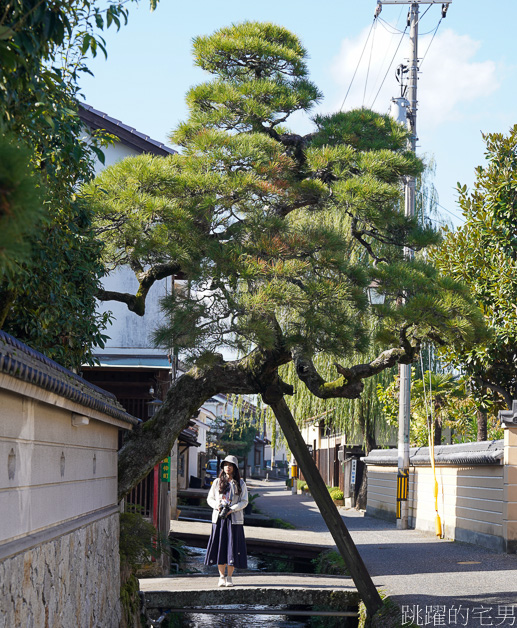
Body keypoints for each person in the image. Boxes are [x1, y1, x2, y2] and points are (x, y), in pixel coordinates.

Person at [204, 455, 248, 587]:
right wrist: (217, 506)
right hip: (219, 519)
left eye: (230, 465)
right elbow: (209, 498)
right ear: (223, 467)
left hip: (234, 520)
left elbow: (244, 501)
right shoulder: (217, 482)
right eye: (225, 464)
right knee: (219, 546)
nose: (227, 467)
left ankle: (230, 577)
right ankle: (221, 576)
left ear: (234, 468)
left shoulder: (240, 483)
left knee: (232, 547)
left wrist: (232, 509)